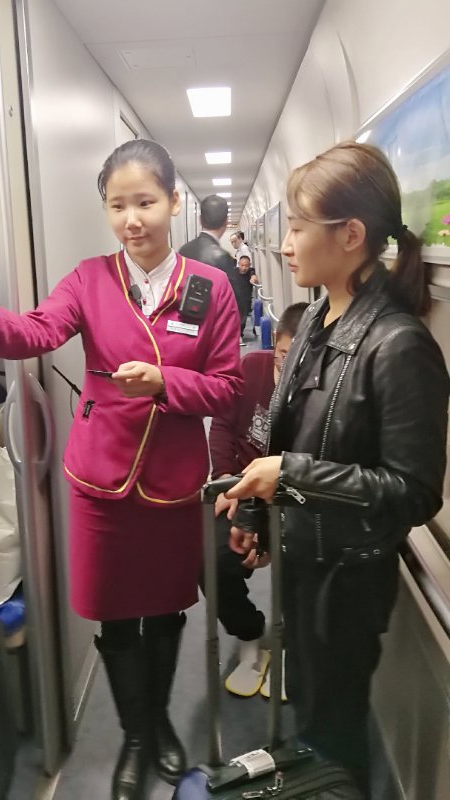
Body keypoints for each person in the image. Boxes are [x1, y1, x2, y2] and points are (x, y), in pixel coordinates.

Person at [0, 139, 243, 800]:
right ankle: (136, 737)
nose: (132, 220)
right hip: (102, 479)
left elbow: (230, 389)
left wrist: (166, 383)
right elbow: (38, 331)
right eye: (118, 206)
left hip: (173, 480)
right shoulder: (90, 279)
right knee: (116, 615)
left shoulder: (210, 288)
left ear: (173, 201)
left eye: (145, 202)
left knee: (167, 609)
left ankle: (160, 722)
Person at [225, 141, 449, 798]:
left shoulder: (398, 344)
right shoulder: (320, 318)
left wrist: (290, 479)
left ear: (350, 235)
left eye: (298, 227)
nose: (285, 244)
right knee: (310, 714)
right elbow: (287, 429)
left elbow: (413, 491)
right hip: (304, 558)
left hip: (346, 583)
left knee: (334, 731)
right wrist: (255, 514)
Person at [205, 302, 307, 697]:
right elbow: (222, 426)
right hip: (243, 488)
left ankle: (294, 648)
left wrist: (269, 538)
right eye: (283, 355)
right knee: (209, 561)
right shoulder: (252, 368)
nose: (289, 366)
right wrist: (224, 481)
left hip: (295, 499)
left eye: (299, 358)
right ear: (275, 343)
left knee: (304, 564)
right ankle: (249, 634)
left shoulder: (321, 388)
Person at [179, 195, 245, 341]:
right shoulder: (223, 257)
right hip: (212, 334)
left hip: (184, 330)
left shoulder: (183, 250)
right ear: (226, 221)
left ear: (200, 220)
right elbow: (237, 303)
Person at [230, 254, 259, 339]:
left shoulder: (250, 272)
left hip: (245, 301)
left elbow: (253, 274)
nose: (243, 268)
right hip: (234, 300)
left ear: (249, 265)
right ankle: (235, 335)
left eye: (246, 266)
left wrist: (253, 278)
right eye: (242, 265)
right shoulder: (233, 272)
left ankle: (239, 335)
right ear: (238, 264)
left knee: (243, 320)